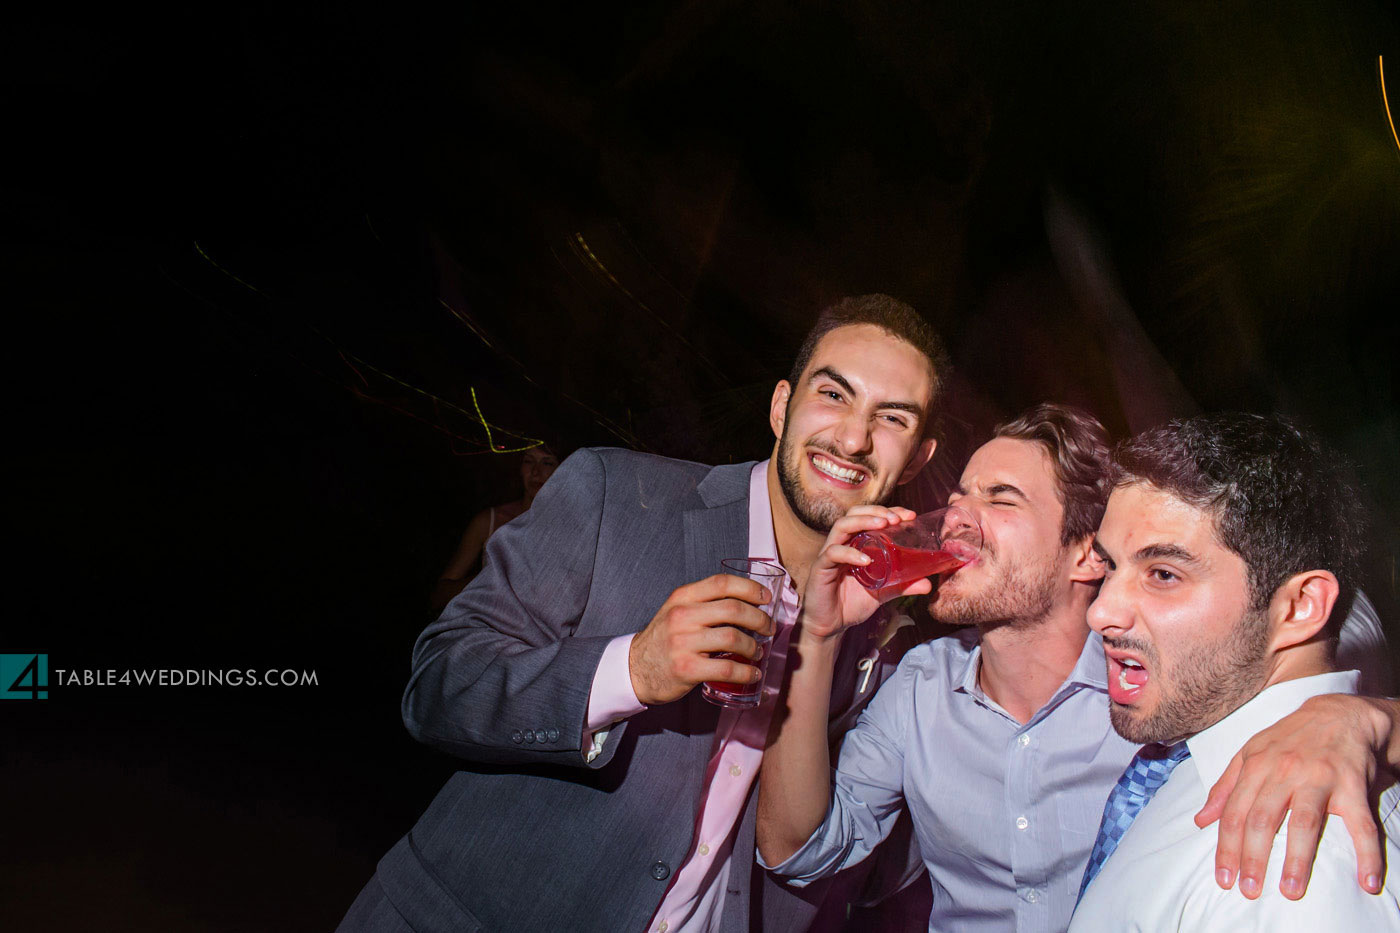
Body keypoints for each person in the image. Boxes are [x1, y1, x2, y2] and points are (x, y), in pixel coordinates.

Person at [338, 295, 951, 933]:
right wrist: (630, 670)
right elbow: (438, 686)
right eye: (833, 394)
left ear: (917, 458)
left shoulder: (881, 638)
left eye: (892, 419)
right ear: (780, 407)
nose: (853, 438)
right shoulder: (614, 493)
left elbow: (840, 855)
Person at [758, 403, 1400, 932]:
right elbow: (799, 852)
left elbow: (1330, 622)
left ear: (1084, 555)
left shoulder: (1166, 679)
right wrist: (817, 634)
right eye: (959, 494)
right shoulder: (920, 690)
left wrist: (1352, 714)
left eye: (1000, 499)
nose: (955, 516)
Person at [1069, 413, 1400, 929]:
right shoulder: (1202, 744)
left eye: (1163, 573)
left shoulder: (1294, 859)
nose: (1099, 612)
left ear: (1298, 608)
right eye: (1111, 565)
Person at [429, 443, 562, 614]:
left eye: (547, 463)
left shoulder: (571, 528)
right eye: (528, 461)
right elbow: (438, 596)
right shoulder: (490, 520)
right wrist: (490, 579)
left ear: (562, 469)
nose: (536, 472)